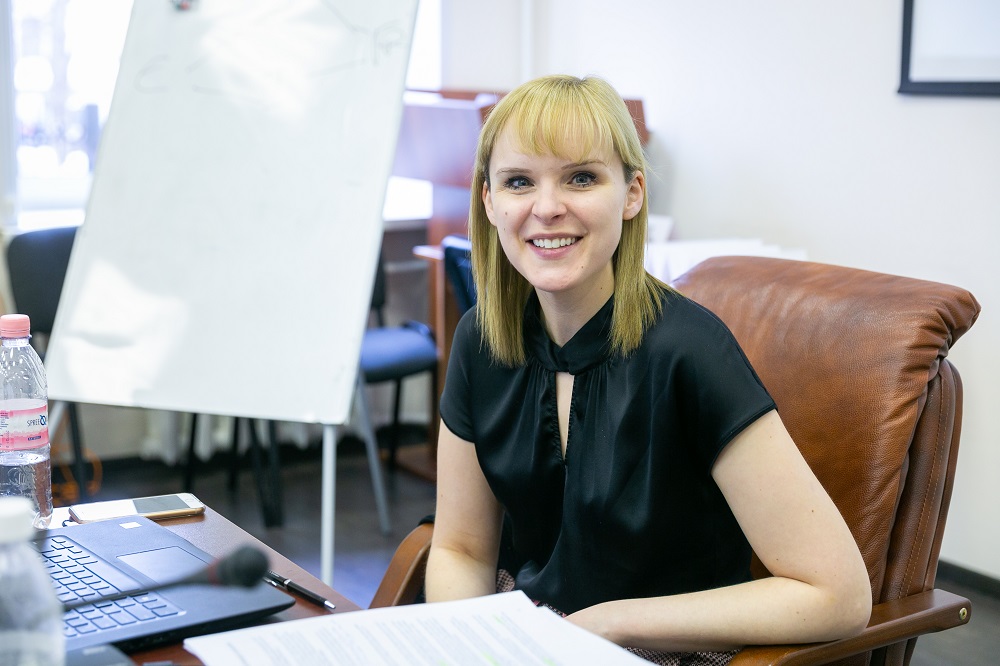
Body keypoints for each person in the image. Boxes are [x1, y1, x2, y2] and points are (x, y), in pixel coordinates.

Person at [425, 74, 871, 665]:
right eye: (519, 182)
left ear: (632, 193)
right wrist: (463, 650)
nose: (547, 207)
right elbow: (460, 550)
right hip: (529, 637)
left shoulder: (691, 350)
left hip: (664, 650)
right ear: (489, 202)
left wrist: (611, 623)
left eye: (581, 178)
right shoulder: (480, 340)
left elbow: (837, 594)